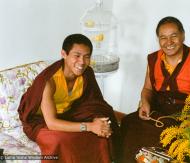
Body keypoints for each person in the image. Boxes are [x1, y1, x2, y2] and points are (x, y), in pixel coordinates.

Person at [119, 16, 190, 163]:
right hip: (158, 111)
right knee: (129, 124)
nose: (169, 42)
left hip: (186, 114)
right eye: (163, 38)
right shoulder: (153, 59)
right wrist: (145, 102)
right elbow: (147, 88)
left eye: (174, 36)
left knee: (169, 138)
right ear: (158, 40)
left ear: (183, 35)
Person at [18, 34, 120, 163]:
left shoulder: (87, 73)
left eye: (87, 56)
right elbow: (52, 123)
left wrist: (99, 122)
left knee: (100, 134)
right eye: (77, 56)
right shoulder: (49, 82)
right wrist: (89, 126)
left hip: (69, 114)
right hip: (40, 121)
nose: (82, 62)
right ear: (64, 54)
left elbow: (94, 103)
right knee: (60, 141)